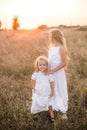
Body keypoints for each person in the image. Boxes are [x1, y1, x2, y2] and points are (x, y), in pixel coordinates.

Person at [47, 28, 69, 119]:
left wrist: (53, 70)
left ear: (55, 37)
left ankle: (64, 112)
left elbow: (64, 63)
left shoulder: (61, 48)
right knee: (53, 90)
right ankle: (55, 106)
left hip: (58, 74)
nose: (50, 38)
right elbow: (50, 61)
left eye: (51, 36)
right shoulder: (52, 48)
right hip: (51, 73)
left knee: (60, 89)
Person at [31, 55, 55, 123]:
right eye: (40, 65)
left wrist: (52, 91)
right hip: (39, 91)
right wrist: (33, 88)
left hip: (47, 92)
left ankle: (52, 116)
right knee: (37, 103)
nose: (42, 66)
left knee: (49, 105)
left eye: (44, 65)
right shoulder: (36, 73)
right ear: (37, 65)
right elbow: (32, 80)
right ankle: (36, 114)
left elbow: (52, 83)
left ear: (47, 65)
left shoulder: (49, 74)